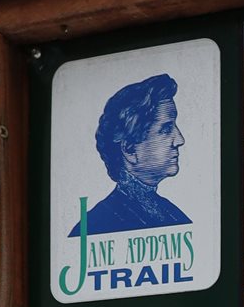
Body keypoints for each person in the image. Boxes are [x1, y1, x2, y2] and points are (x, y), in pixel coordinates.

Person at [73, 73, 190, 233]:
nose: (180, 140)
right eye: (166, 129)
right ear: (130, 149)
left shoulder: (173, 214)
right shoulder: (92, 226)